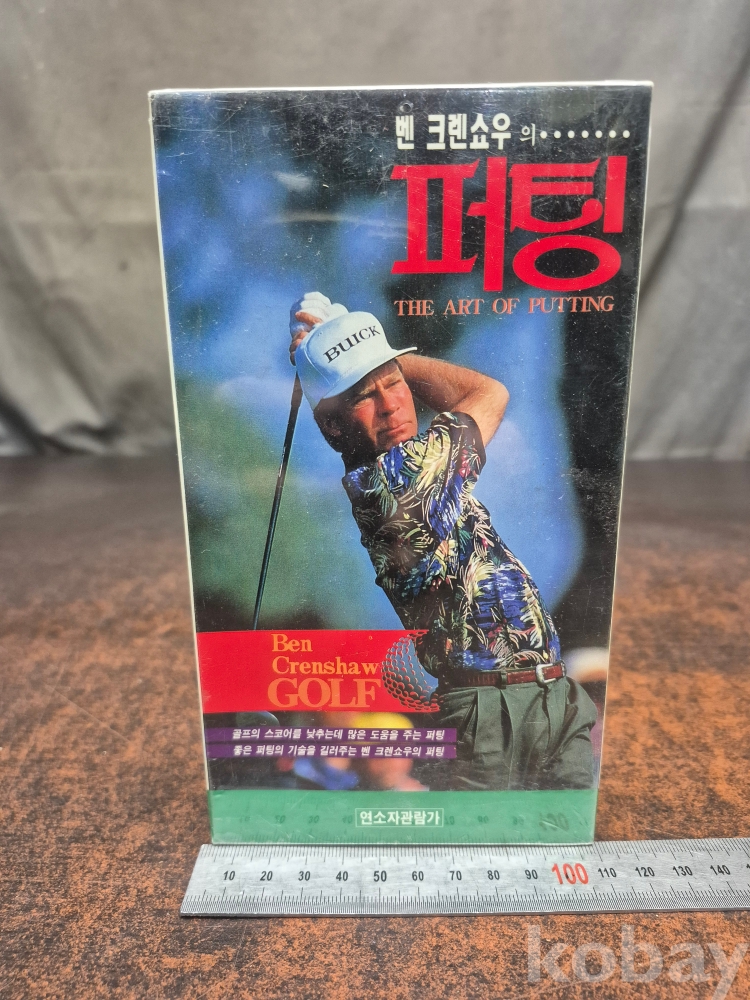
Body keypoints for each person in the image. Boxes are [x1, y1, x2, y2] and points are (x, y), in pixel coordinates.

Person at [288, 292, 596, 791]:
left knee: (574, 831)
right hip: (488, 711)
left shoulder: (404, 467)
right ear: (332, 426)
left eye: (394, 383)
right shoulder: (400, 480)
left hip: (551, 695)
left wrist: (346, 353)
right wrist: (386, 357)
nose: (391, 404)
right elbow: (488, 392)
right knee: (492, 839)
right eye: (365, 396)